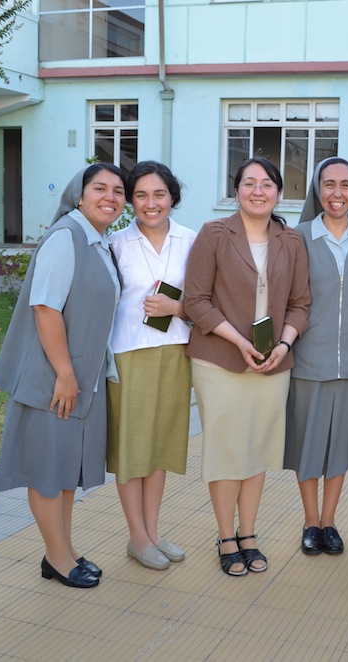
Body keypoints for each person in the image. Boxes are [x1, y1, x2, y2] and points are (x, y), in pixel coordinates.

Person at [0, 163, 125, 589]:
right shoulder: (66, 237)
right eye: (100, 188)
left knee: (64, 467)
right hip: (54, 379)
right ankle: (56, 557)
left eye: (118, 191)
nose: (110, 197)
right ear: (78, 196)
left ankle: (64, 550)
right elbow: (45, 309)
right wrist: (65, 374)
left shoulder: (97, 241)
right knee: (48, 471)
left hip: (79, 376)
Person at [184, 157, 311, 576]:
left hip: (273, 362)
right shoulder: (214, 234)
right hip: (220, 359)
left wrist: (284, 344)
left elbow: (300, 304)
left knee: (257, 447)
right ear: (236, 190)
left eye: (267, 184)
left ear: (279, 192)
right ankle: (226, 536)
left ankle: (249, 533)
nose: (259, 191)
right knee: (226, 449)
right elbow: (195, 301)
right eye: (249, 183)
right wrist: (239, 342)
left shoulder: (291, 240)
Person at [107, 161, 197, 570]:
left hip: (175, 350)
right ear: (130, 201)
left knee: (159, 444)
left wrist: (176, 308)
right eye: (140, 195)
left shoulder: (192, 241)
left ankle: (153, 531)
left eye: (159, 194)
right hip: (129, 351)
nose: (150, 203)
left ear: (172, 197)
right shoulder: (115, 244)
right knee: (132, 446)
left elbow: (205, 298)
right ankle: (137, 537)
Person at [285, 157, 348, 556]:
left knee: (339, 447)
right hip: (308, 360)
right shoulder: (297, 237)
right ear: (317, 190)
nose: (337, 193)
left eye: (345, 185)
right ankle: (310, 520)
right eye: (329, 184)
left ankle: (329, 521)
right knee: (308, 445)